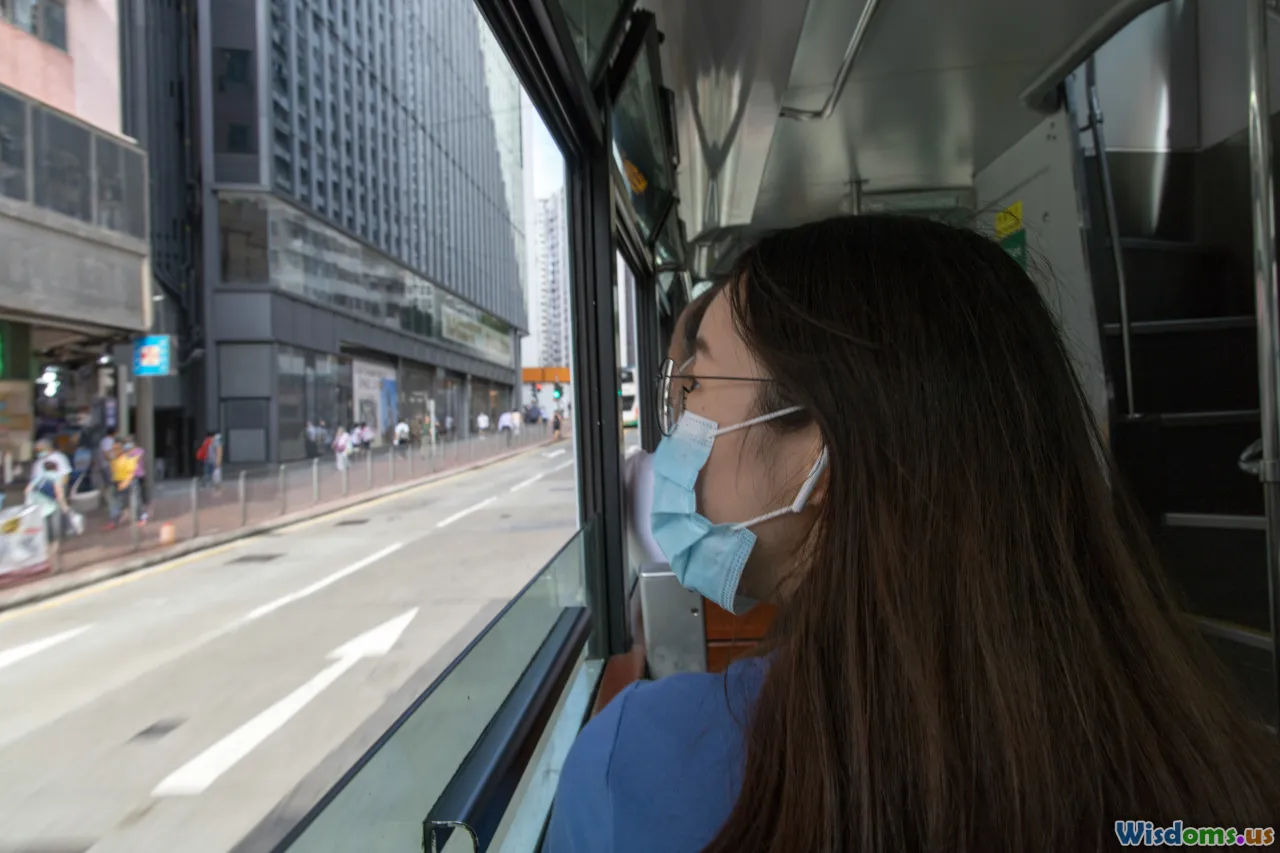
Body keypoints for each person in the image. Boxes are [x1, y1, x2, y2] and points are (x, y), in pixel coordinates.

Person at [545, 215, 1280, 853]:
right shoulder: (1212, 772)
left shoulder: (634, 763)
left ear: (819, 462)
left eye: (695, 388)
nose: (675, 433)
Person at [26, 457, 71, 545]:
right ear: (55, 468)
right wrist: (64, 505)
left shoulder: (39, 476)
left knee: (43, 523)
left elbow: (27, 490)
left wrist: (32, 500)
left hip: (39, 503)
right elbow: (58, 492)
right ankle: (55, 540)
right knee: (55, 522)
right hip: (52, 503)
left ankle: (44, 540)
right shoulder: (56, 476)